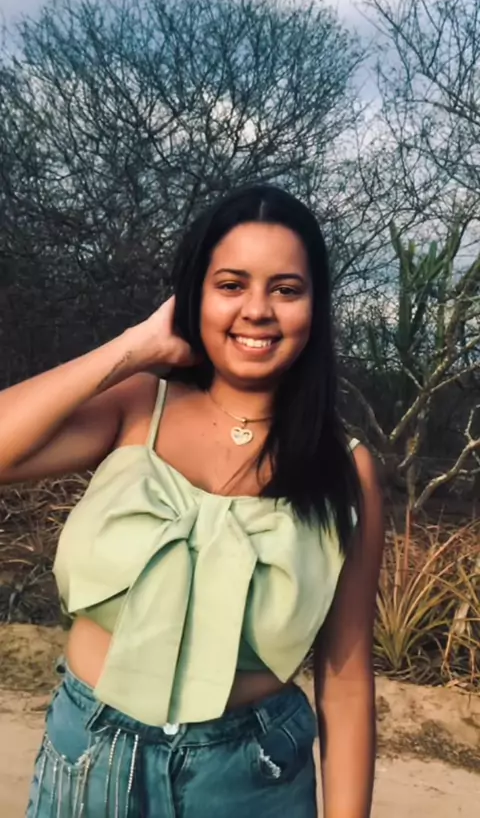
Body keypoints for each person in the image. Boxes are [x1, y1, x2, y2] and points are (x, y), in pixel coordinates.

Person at [0, 184, 384, 818]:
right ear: (193, 296)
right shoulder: (135, 408)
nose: (257, 310)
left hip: (252, 777)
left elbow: (344, 680)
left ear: (315, 308)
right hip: (91, 758)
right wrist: (134, 348)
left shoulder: (345, 469)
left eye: (286, 289)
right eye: (231, 284)